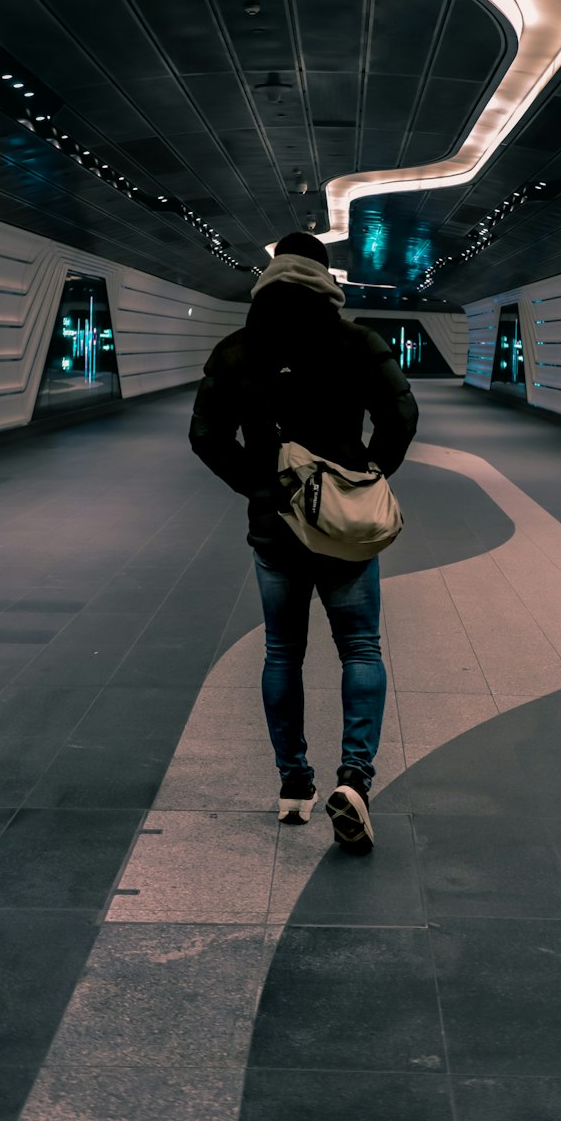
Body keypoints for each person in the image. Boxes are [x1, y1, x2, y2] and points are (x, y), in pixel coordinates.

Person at [189, 232, 418, 854]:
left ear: (268, 277)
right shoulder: (356, 341)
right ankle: (355, 781)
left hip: (274, 532)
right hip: (345, 531)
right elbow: (401, 416)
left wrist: (260, 489)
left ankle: (294, 786)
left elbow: (206, 436)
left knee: (283, 652)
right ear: (325, 278)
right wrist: (365, 478)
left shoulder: (237, 349)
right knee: (361, 650)